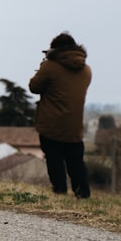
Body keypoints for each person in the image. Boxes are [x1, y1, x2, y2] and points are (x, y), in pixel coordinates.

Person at [29, 32, 93, 198]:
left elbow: (34, 87)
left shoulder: (50, 67)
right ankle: (83, 194)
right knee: (76, 163)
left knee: (55, 161)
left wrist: (43, 66)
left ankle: (60, 192)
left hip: (51, 125)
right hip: (75, 127)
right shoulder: (86, 70)